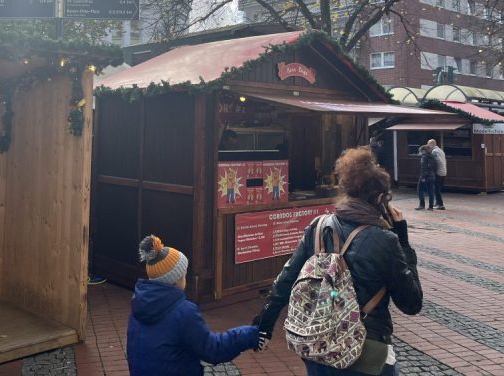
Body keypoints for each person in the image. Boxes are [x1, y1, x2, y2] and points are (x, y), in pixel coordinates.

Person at [252, 147, 422, 376]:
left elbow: (286, 280)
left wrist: (264, 325)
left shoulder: (318, 226)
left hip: (318, 346)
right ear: (381, 198)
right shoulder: (386, 241)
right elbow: (411, 303)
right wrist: (403, 240)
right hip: (366, 352)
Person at [127, 235, 260, 376]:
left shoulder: (138, 305)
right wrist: (251, 334)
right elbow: (213, 350)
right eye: (184, 274)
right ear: (177, 278)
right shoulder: (183, 312)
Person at [427, 139, 446, 210]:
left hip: (439, 172)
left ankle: (440, 204)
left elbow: (436, 162)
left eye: (428, 144)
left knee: (436, 189)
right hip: (444, 172)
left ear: (432, 144)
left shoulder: (434, 152)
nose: (428, 146)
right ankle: (437, 202)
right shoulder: (440, 150)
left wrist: (433, 171)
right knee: (438, 188)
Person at [416, 145, 436, 210]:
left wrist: (423, 177)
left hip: (425, 176)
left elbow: (423, 168)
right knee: (431, 191)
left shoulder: (424, 157)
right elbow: (435, 166)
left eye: (421, 151)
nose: (420, 152)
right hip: (432, 175)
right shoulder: (432, 156)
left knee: (420, 189)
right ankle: (431, 206)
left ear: (424, 151)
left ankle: (422, 205)